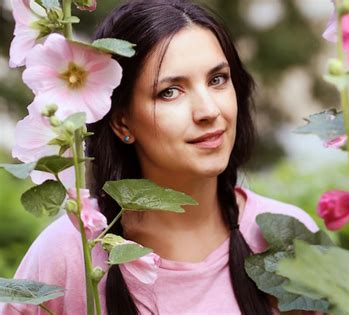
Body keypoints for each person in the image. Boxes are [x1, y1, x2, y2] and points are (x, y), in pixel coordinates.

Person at [0, 0, 318, 314]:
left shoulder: (285, 237)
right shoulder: (73, 251)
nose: (208, 111)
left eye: (217, 79)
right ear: (121, 121)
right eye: (170, 91)